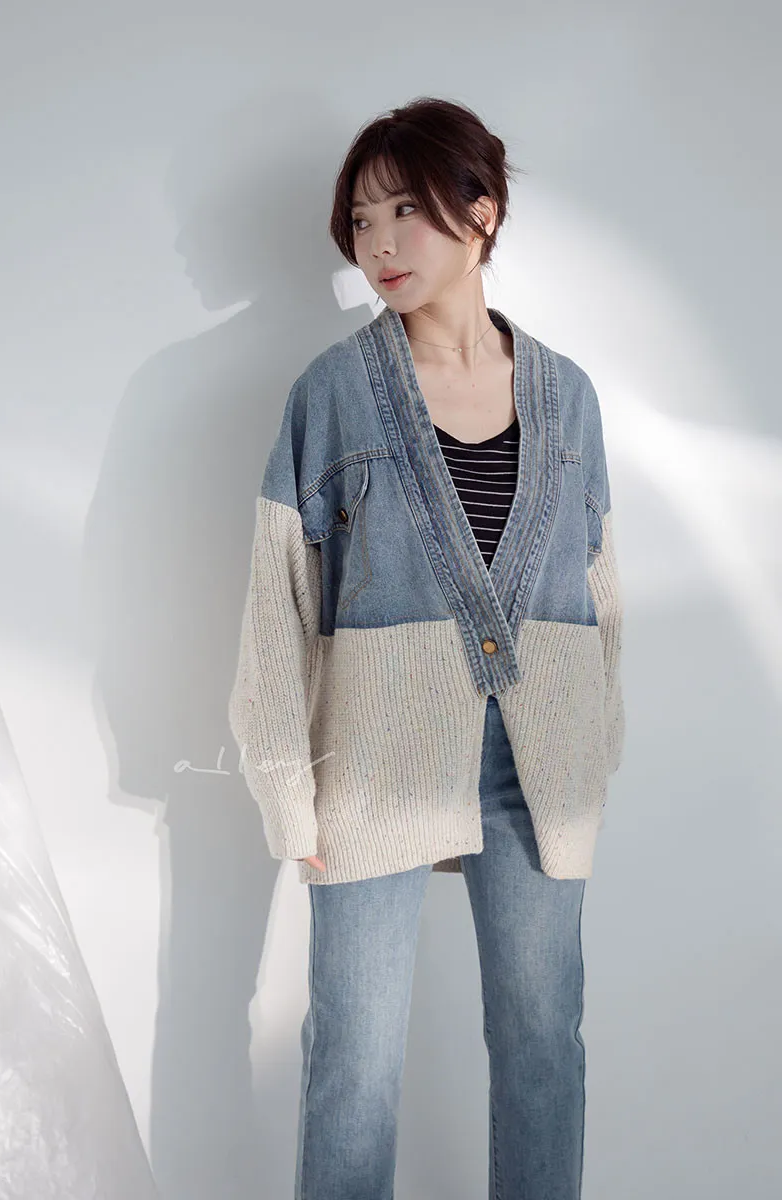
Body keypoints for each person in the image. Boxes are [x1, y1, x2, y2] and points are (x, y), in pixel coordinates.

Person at [228, 95, 625, 1199]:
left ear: (480, 213)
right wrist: (288, 793)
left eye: (406, 209)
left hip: (541, 766)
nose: (380, 244)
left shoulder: (569, 398)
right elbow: (276, 599)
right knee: (353, 1059)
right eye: (361, 221)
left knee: (544, 1046)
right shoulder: (333, 393)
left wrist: (596, 749)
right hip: (370, 759)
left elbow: (599, 589)